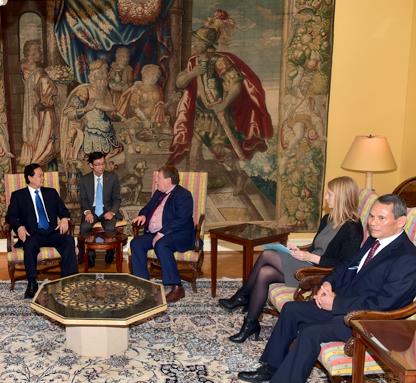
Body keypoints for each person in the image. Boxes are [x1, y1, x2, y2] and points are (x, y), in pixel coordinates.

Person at [238, 194, 416, 383]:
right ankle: (271, 367)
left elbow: (385, 304)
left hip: (367, 322)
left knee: (310, 333)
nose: (373, 222)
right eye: (371, 216)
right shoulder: (375, 240)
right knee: (292, 310)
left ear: (400, 221)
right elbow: (345, 266)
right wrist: (327, 284)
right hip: (344, 304)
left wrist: (336, 303)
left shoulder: (408, 258)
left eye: (381, 218)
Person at [219, 176, 363, 343]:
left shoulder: (353, 228)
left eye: (329, 194)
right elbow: (316, 246)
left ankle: (243, 296)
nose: (325, 197)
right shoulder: (328, 219)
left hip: (320, 272)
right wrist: (299, 250)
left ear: (341, 197)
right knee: (265, 273)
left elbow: (345, 264)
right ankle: (250, 324)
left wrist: (311, 257)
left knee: (267, 254)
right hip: (308, 262)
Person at [168, 23, 273, 193]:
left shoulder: (220, 61)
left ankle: (240, 176)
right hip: (200, 114)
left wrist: (223, 104)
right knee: (194, 151)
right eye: (195, 40)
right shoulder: (194, 61)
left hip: (217, 115)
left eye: (198, 41)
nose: (194, 44)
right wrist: (193, 73)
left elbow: (236, 85)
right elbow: (180, 83)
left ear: (207, 44)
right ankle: (194, 187)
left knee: (223, 152)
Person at [6, 163, 78, 298]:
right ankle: (32, 283)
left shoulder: (51, 193)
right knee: (29, 245)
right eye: (40, 176)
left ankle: (67, 280)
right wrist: (19, 227)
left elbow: (63, 210)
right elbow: (10, 216)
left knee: (68, 240)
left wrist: (64, 218)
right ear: (30, 178)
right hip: (33, 234)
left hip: (52, 232)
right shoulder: (18, 196)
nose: (43, 178)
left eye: (43, 175)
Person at [130, 165, 194, 303]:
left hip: (178, 234)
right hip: (157, 233)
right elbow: (147, 208)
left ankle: (177, 287)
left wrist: (161, 233)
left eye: (158, 178)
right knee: (136, 243)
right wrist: (143, 215)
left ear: (168, 180)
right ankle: (143, 284)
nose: (156, 181)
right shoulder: (159, 192)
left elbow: (181, 220)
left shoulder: (184, 195)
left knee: (161, 245)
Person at [61, 59, 122, 163]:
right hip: (89, 136)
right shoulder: (85, 91)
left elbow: (112, 114)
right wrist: (86, 109)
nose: (107, 75)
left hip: (108, 136)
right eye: (104, 72)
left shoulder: (106, 92)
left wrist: (123, 119)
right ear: (95, 74)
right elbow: (69, 113)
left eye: (106, 72)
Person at [18, 39, 59, 167]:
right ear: (32, 53)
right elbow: (47, 93)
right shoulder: (38, 72)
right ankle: (38, 158)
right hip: (38, 108)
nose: (41, 53)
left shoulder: (29, 70)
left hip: (34, 107)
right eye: (38, 50)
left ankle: (34, 157)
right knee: (40, 132)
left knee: (35, 131)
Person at [79, 151, 123, 266]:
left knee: (110, 227)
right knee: (84, 227)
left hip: (107, 209)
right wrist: (87, 212)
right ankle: (90, 255)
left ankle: (110, 253)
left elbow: (117, 198)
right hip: (92, 210)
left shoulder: (112, 177)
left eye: (103, 163)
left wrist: (112, 212)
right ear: (91, 165)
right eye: (97, 164)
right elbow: (83, 199)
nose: (101, 167)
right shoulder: (84, 179)